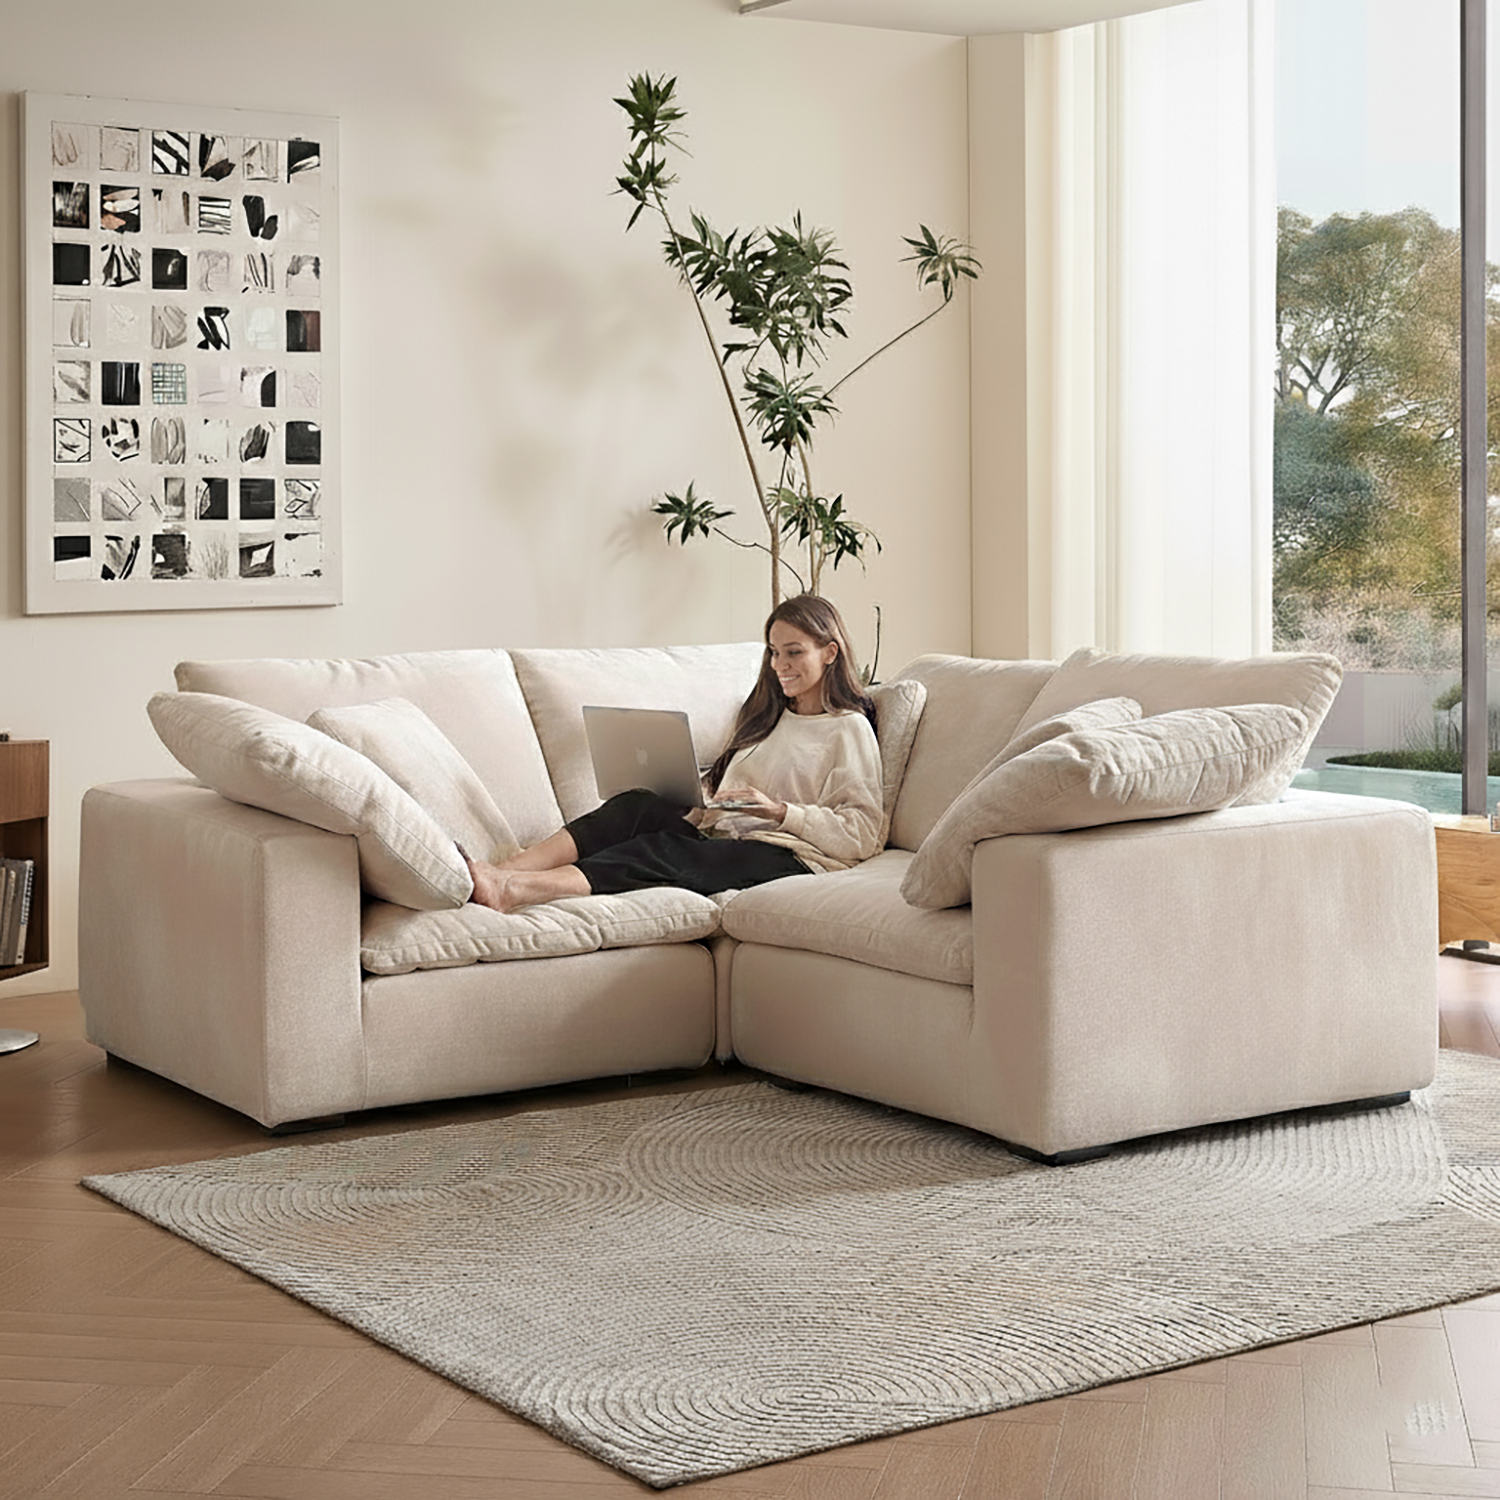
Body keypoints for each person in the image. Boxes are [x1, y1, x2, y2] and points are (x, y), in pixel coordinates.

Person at [465, 594, 884, 912]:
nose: (780, 664)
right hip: (728, 834)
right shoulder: (767, 717)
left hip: (791, 857)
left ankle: (512, 891)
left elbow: (861, 834)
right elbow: (731, 793)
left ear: (830, 653)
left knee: (664, 850)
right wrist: (701, 799)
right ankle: (509, 868)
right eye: (774, 652)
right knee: (637, 808)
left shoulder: (847, 728)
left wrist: (780, 812)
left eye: (794, 652)